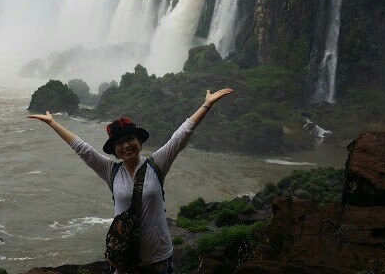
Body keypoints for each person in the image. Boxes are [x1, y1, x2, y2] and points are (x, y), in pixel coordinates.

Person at [27, 88, 234, 274]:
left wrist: (206, 105)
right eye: (119, 143)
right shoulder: (111, 171)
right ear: (114, 150)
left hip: (158, 258)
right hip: (125, 261)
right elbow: (82, 149)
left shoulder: (157, 164)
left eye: (129, 140)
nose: (125, 146)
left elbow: (181, 136)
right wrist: (53, 123)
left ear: (139, 142)